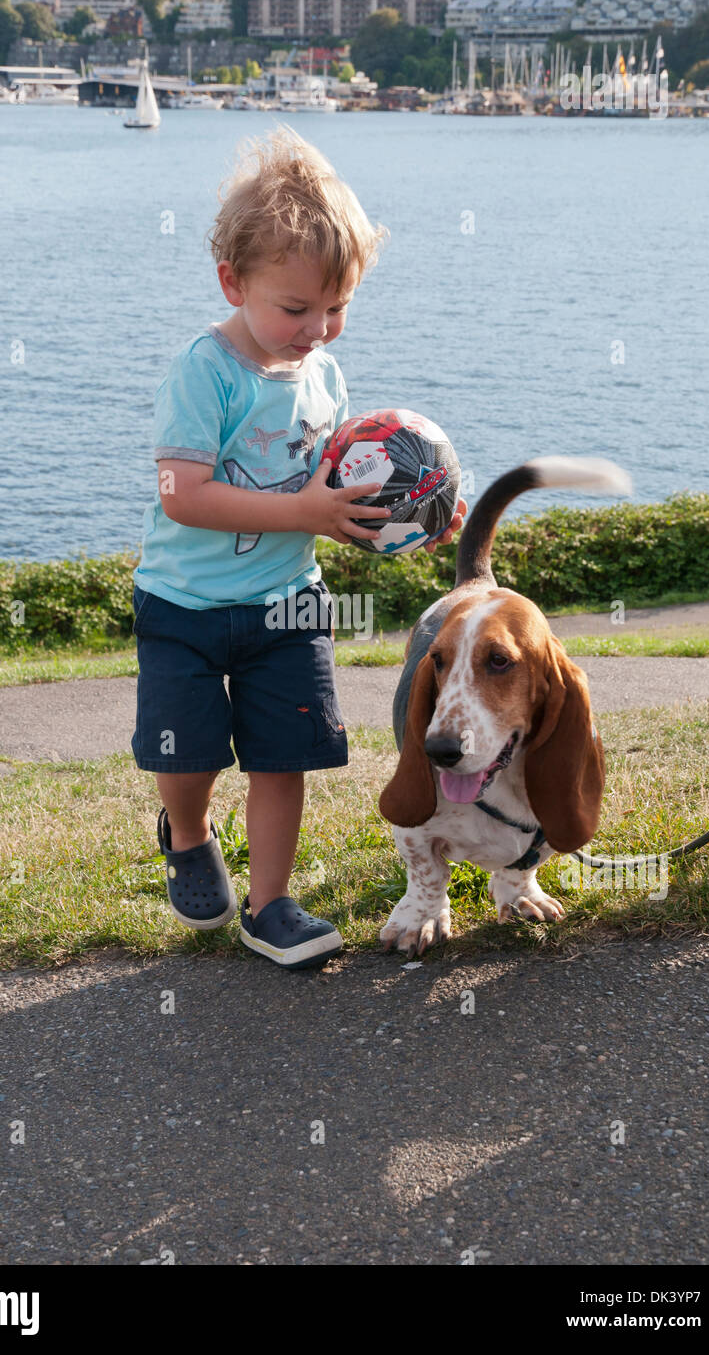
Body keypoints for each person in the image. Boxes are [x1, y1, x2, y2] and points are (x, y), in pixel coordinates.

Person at [131, 126, 464, 969]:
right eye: (295, 308)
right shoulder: (202, 373)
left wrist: (410, 514)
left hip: (288, 605)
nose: (317, 328)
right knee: (191, 752)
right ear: (231, 283)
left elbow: (331, 497)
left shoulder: (322, 377)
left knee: (284, 759)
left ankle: (271, 905)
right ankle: (186, 829)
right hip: (184, 607)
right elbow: (186, 495)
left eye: (336, 308)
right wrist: (309, 512)